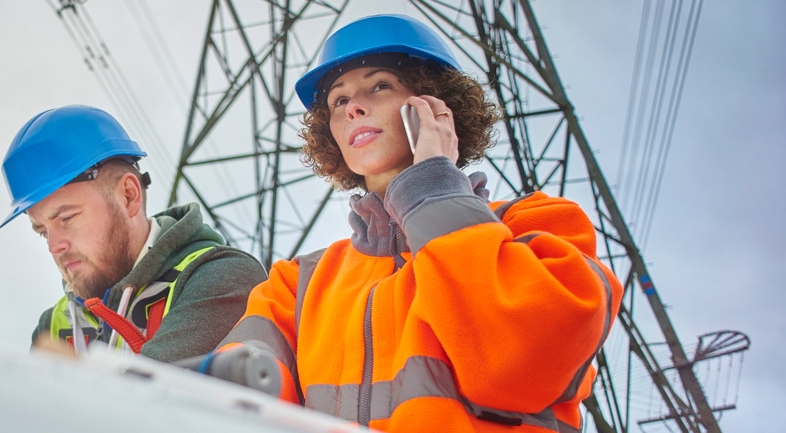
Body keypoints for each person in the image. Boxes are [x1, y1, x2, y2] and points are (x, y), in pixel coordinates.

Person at [207, 15, 624, 432]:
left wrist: (432, 189)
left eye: (380, 85)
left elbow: (515, 370)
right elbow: (228, 407)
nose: (353, 107)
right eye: (338, 101)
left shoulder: (537, 225)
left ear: (437, 106)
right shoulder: (295, 283)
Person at [1, 105, 267, 362]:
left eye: (67, 218)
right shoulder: (53, 325)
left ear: (129, 196)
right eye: (42, 232)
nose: (54, 246)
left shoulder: (220, 277)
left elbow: (150, 403)